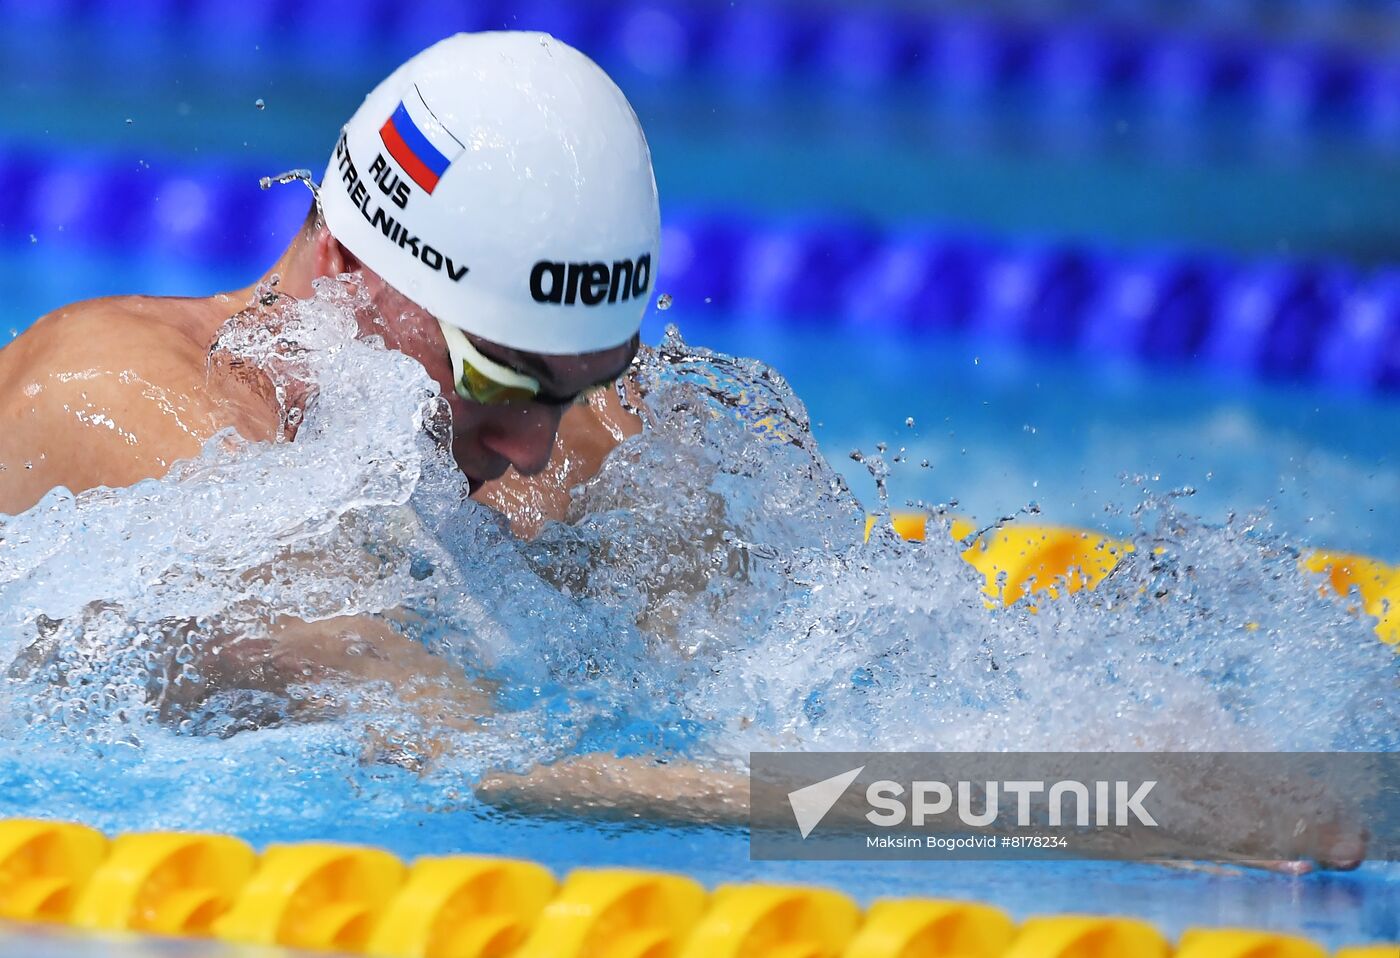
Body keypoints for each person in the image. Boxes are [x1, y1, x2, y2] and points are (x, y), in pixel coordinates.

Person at [0, 31, 648, 529]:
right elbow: (388, 689)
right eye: (495, 376)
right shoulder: (113, 399)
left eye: (585, 386)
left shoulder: (599, 454)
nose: (535, 450)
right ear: (345, 266)